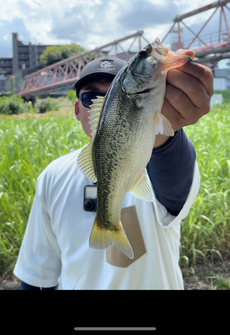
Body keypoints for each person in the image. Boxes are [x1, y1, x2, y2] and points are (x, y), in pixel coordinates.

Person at [14, 51, 213, 289]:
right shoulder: (53, 176)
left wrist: (167, 135)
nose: (106, 104)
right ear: (78, 110)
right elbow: (37, 274)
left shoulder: (158, 159)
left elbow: (174, 181)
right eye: (91, 98)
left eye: (112, 96)